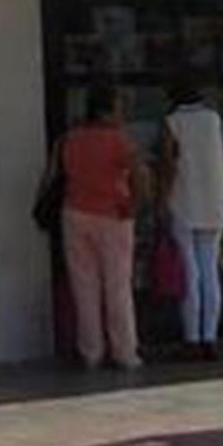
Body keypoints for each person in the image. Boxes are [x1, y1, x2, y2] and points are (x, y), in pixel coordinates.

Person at [48, 83, 148, 371]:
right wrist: (135, 205)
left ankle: (91, 350)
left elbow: (58, 173)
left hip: (74, 213)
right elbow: (140, 173)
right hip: (112, 216)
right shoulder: (118, 140)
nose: (122, 113)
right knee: (117, 286)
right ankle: (125, 351)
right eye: (119, 107)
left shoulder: (71, 138)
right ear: (107, 110)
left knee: (84, 286)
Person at [153, 77, 223, 359]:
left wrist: (161, 200)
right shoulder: (213, 119)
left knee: (190, 271)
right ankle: (210, 337)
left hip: (185, 200)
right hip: (216, 201)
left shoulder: (172, 122)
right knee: (210, 269)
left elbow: (168, 164)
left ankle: (191, 338)